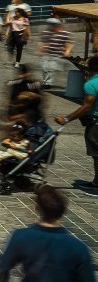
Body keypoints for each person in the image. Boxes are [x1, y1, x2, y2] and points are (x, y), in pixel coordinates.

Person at [55, 58, 98, 194]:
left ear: (89, 68)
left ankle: (97, 183)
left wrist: (66, 119)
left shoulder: (90, 84)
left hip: (96, 124)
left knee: (96, 154)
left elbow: (87, 106)